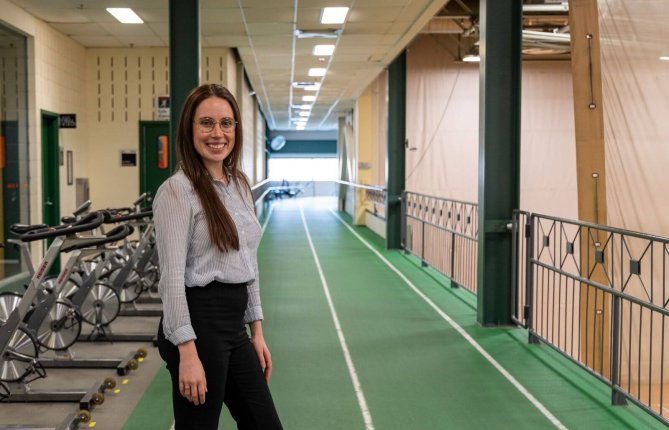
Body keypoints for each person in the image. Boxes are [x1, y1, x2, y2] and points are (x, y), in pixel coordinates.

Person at [153, 83, 282, 430]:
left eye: (226, 123)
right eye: (206, 122)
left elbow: (247, 262)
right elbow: (171, 279)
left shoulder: (239, 183)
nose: (217, 133)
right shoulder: (177, 192)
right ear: (189, 129)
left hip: (234, 325)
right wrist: (187, 352)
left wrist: (257, 330)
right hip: (199, 325)